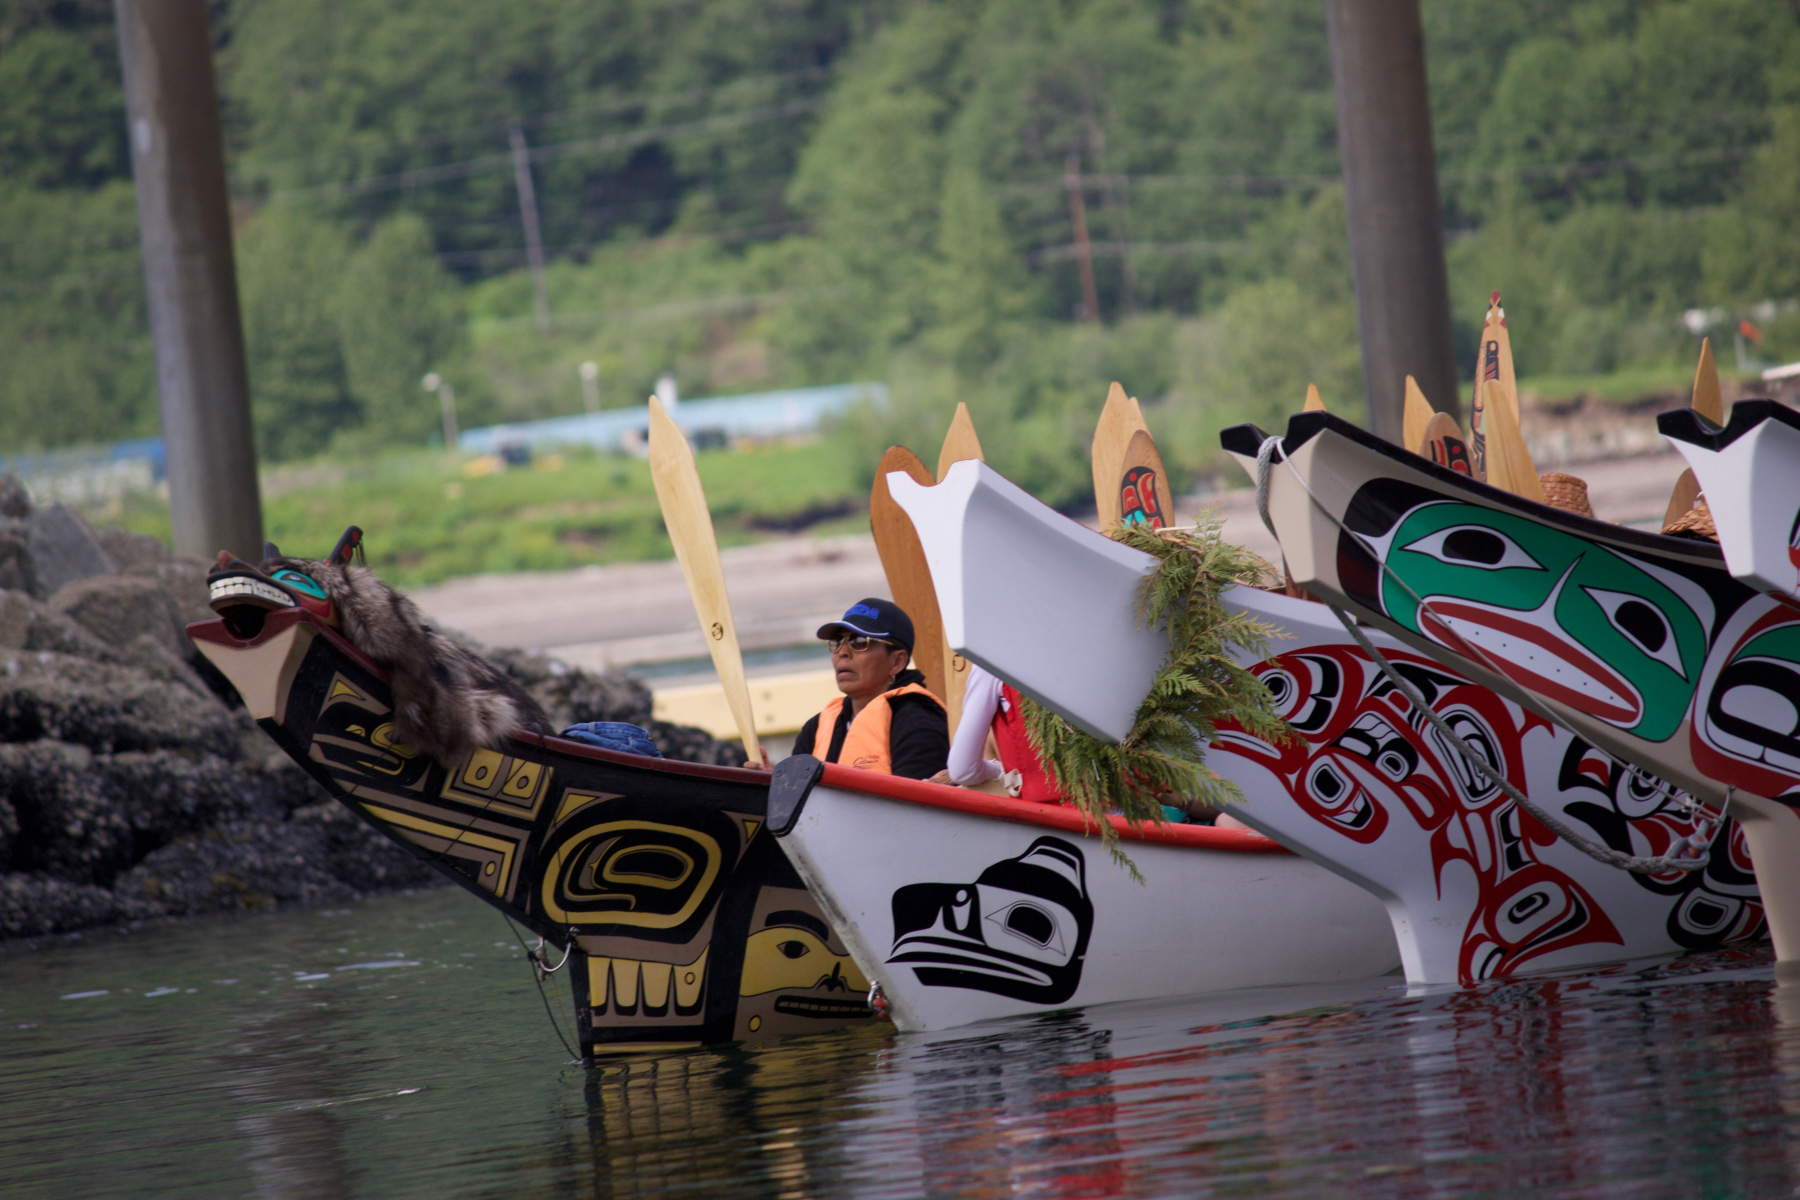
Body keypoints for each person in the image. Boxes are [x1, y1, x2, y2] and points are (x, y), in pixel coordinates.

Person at [792, 598, 948, 779]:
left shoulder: (918, 724)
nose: (843, 652)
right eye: (837, 641)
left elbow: (918, 796)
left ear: (897, 662)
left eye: (859, 642)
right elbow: (790, 791)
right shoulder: (815, 728)